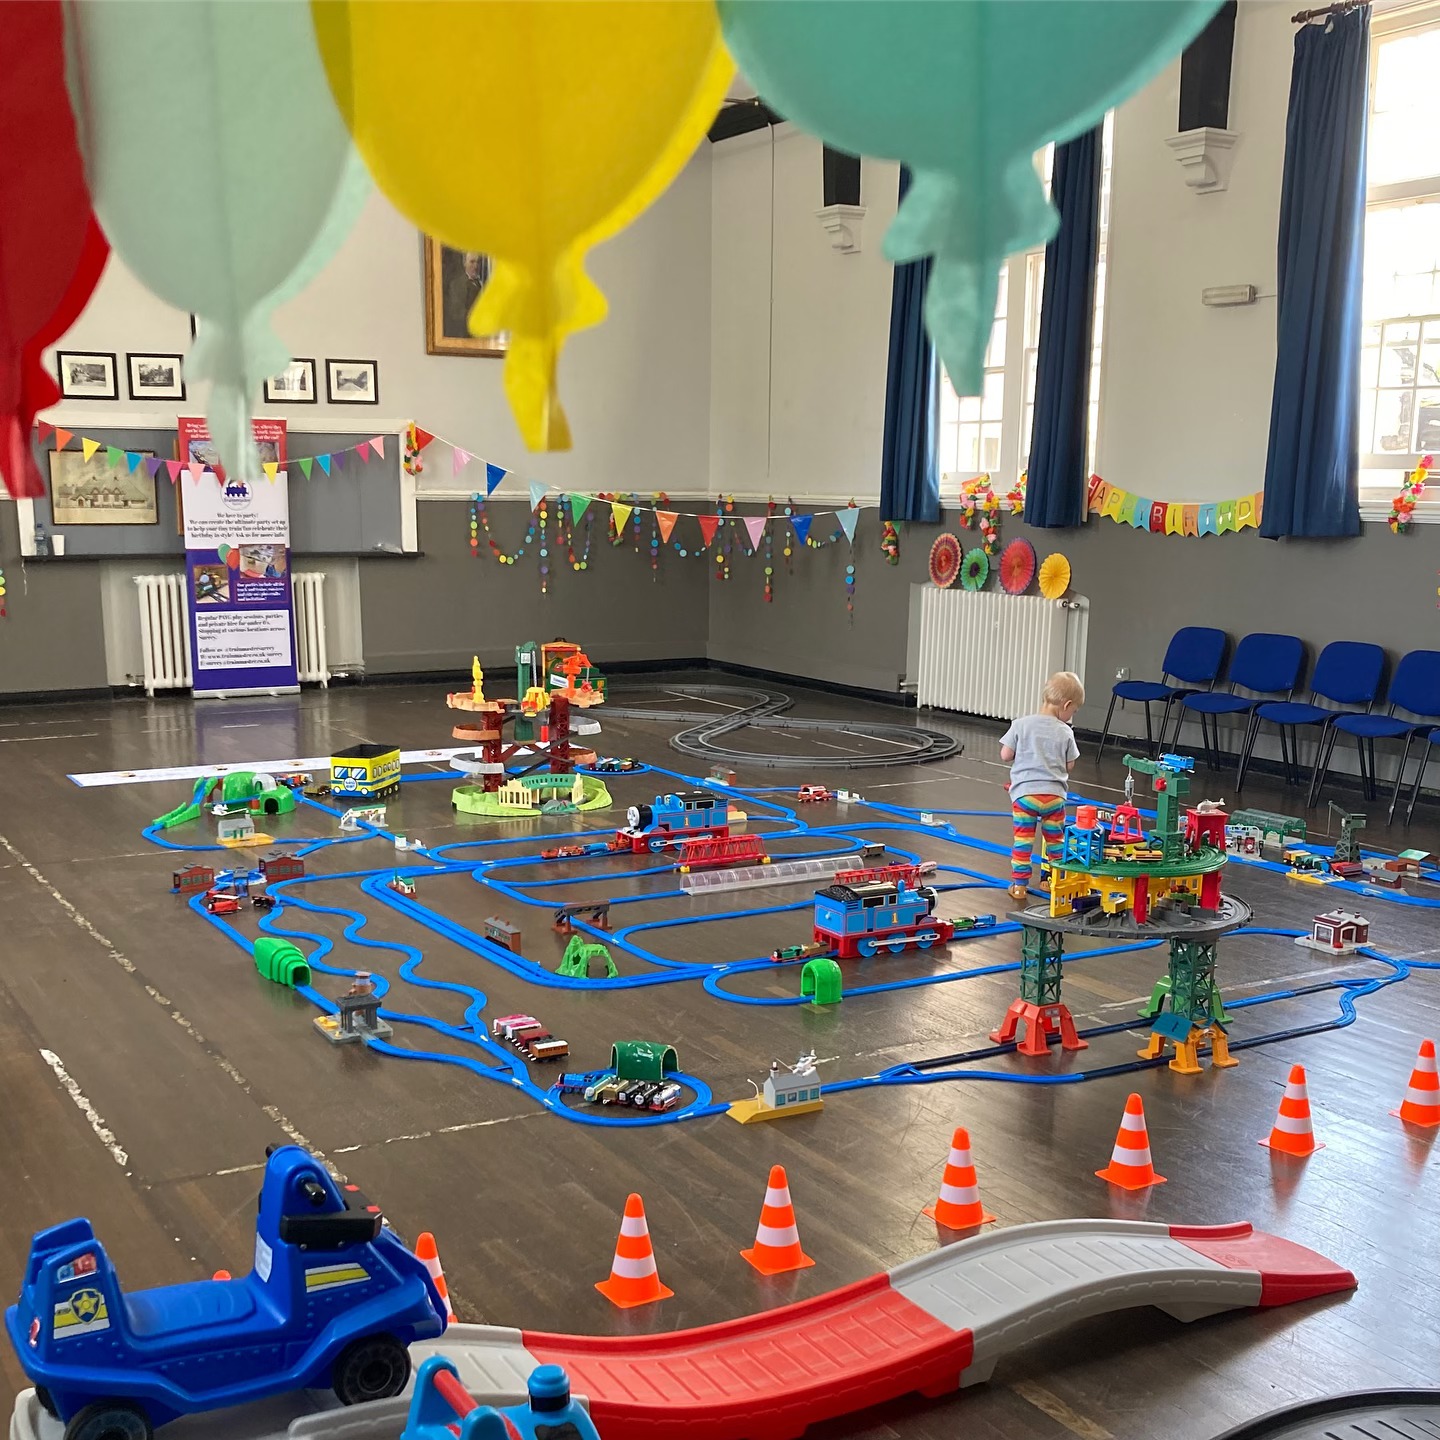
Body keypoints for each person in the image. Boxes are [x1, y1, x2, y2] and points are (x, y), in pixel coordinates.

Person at [1000, 671, 1085, 902]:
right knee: (1055, 841)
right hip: (1054, 798)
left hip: (1025, 797)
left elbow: (1005, 755)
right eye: (1073, 711)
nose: (1071, 716)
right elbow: (1069, 765)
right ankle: (1053, 881)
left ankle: (1020, 886)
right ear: (1066, 705)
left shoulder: (1021, 724)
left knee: (1023, 841)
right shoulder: (1065, 731)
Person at [443, 250, 491, 338]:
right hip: (465, 336)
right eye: (472, 262)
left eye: (478, 262)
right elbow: (456, 312)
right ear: (464, 263)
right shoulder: (457, 284)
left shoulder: (484, 283)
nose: (475, 266)